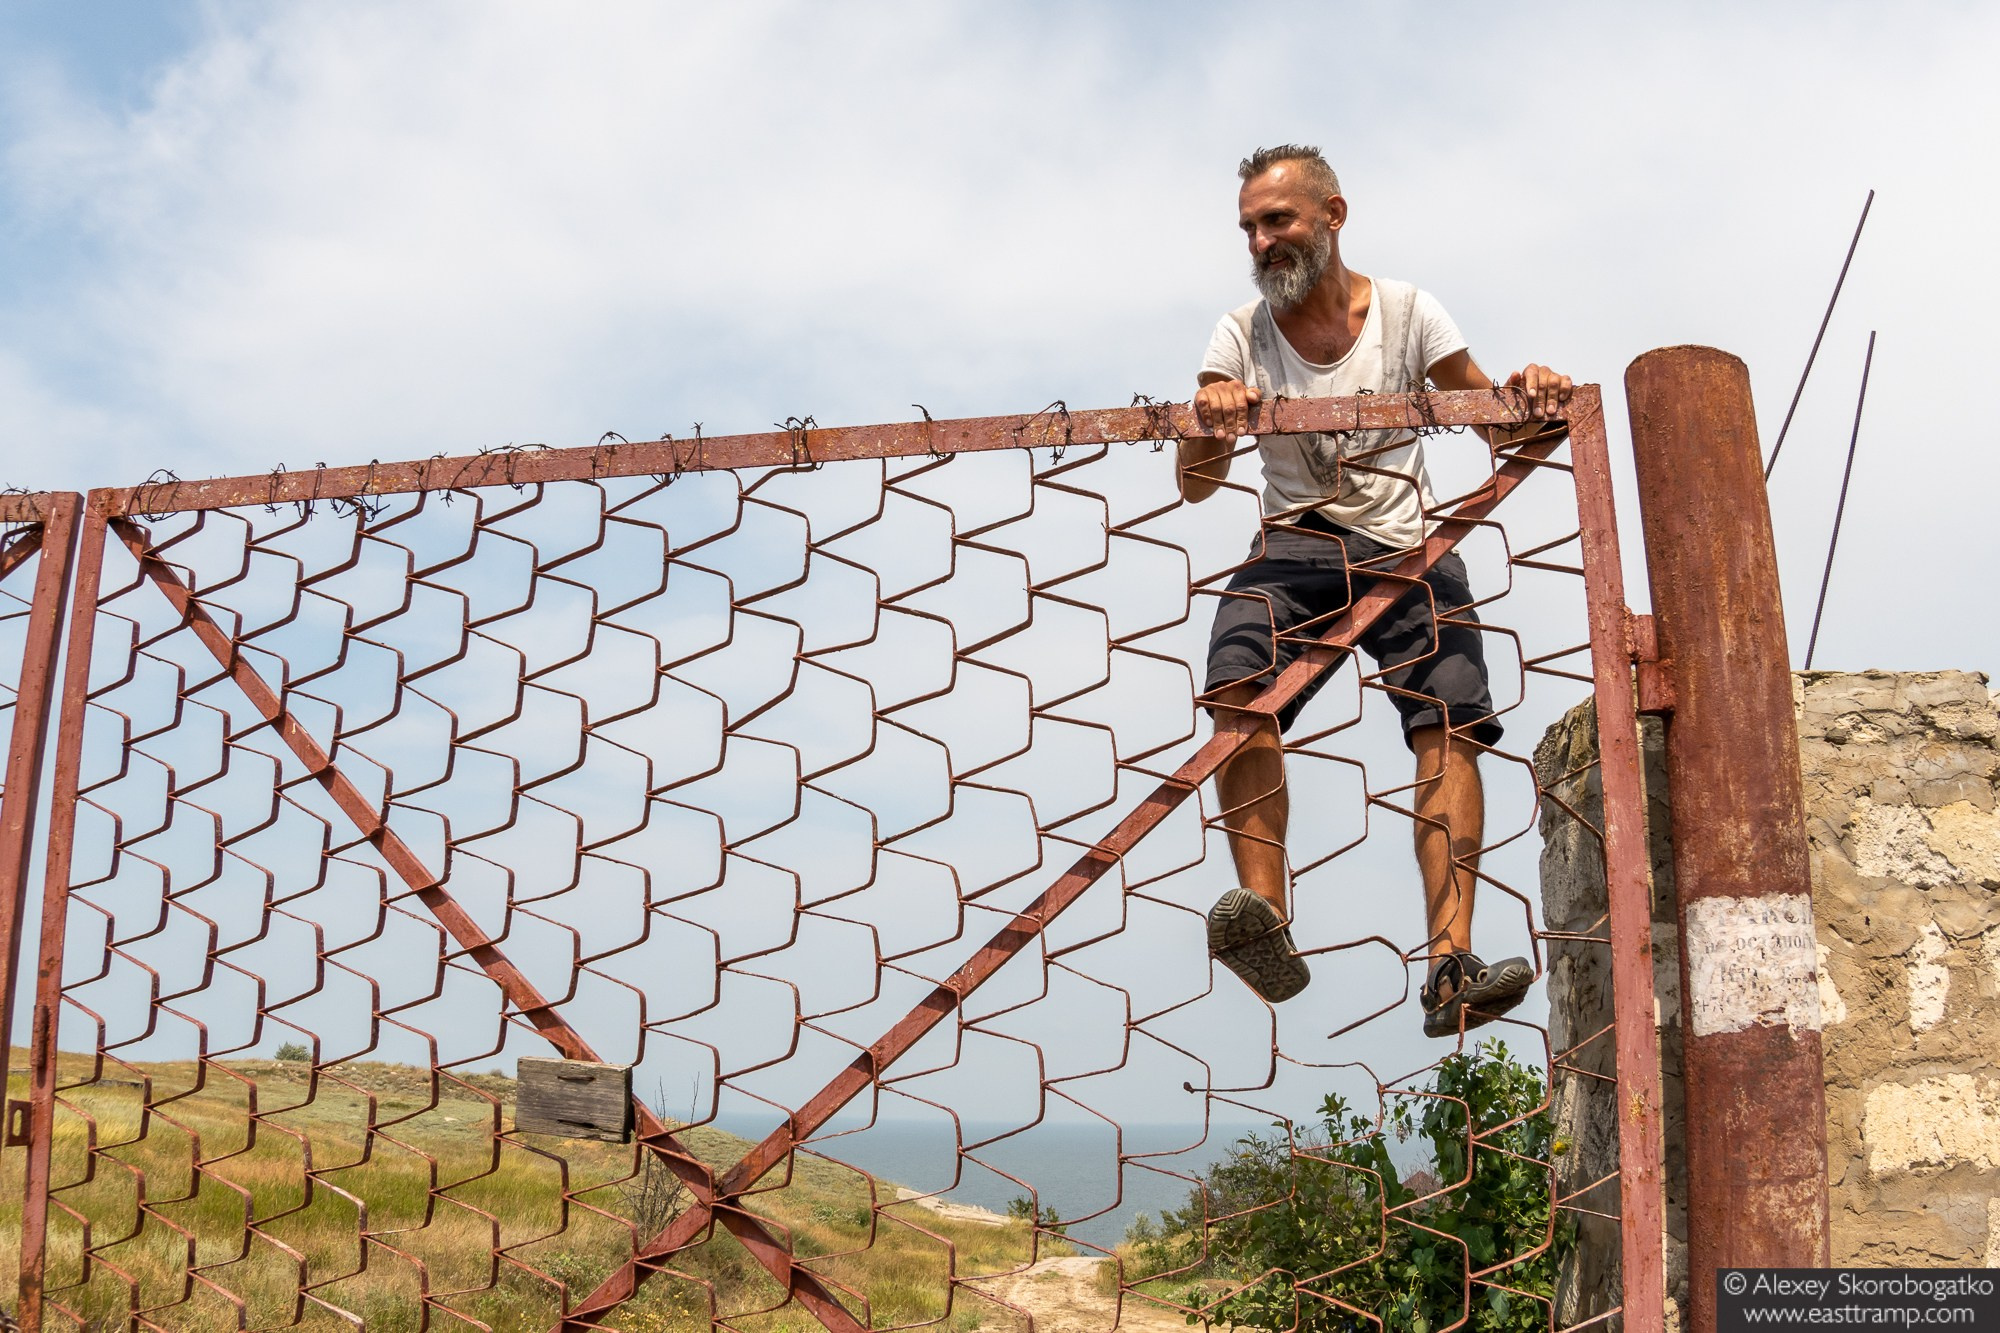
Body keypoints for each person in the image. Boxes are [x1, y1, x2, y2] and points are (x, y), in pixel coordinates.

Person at [1178, 144, 1573, 1038]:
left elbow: (1499, 423)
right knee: (1238, 687)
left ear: (1333, 215)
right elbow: (1196, 482)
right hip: (1295, 546)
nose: (1261, 240)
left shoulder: (1406, 312)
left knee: (1450, 722)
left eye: (1277, 220)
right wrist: (1212, 419)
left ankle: (1450, 963)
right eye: (1249, 227)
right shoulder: (1240, 332)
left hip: (1409, 543)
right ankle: (1266, 921)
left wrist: (1532, 392)